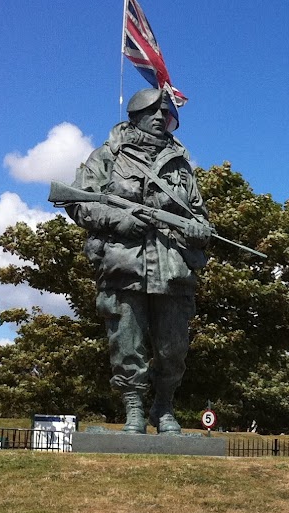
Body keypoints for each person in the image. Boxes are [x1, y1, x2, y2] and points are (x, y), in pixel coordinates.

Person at [65, 87, 212, 434]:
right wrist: (119, 220)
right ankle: (133, 407)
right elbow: (78, 202)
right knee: (126, 344)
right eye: (154, 111)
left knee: (173, 348)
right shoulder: (108, 156)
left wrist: (199, 229)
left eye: (166, 113)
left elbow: (200, 215)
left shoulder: (180, 165)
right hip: (124, 266)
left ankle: (163, 408)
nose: (162, 117)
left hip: (173, 268)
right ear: (135, 115)